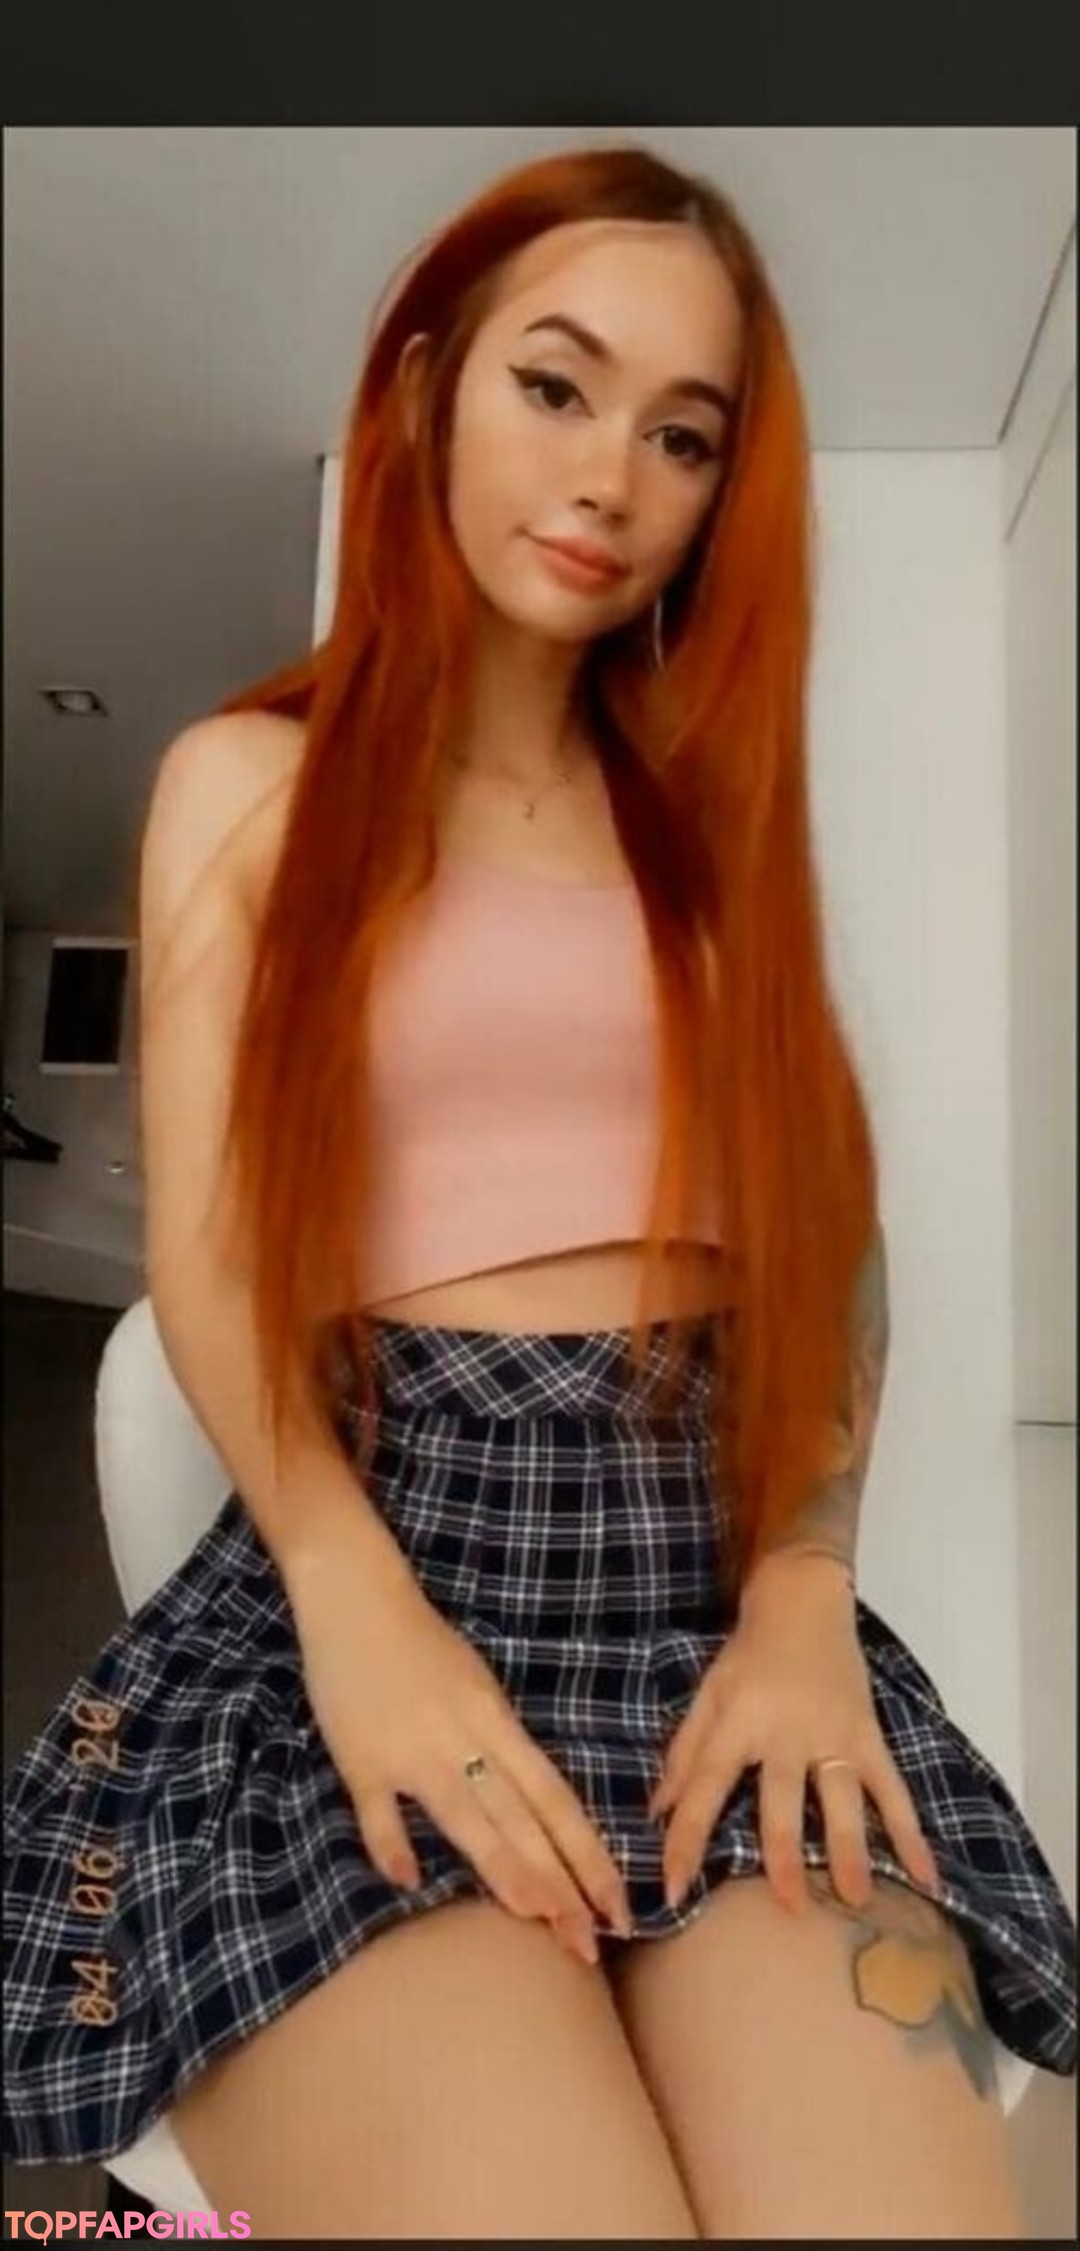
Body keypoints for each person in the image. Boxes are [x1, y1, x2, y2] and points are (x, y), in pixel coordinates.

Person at [3, 143, 1075, 2241]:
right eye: (556, 385)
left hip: (708, 1598)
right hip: (387, 1559)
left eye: (683, 435)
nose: (609, 478)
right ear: (426, 387)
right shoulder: (250, 786)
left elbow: (831, 1235)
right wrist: (356, 1609)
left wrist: (803, 1578)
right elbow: (208, 1251)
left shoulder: (705, 832)